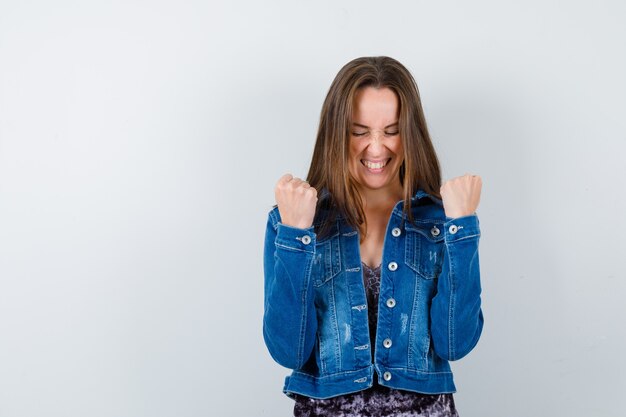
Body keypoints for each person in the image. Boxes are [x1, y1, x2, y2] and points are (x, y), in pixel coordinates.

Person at [262, 56, 484, 417]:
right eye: (360, 131)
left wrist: (461, 228)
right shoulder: (293, 220)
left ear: (410, 134)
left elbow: (455, 343)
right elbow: (288, 351)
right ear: (337, 132)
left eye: (392, 131)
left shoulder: (440, 221)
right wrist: (295, 234)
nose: (377, 148)